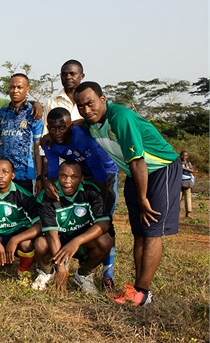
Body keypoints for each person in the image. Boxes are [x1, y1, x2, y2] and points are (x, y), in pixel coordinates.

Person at [75, 81, 181, 306]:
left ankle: (143, 294)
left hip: (158, 170)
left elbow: (138, 161)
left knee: (151, 230)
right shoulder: (91, 123)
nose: (86, 110)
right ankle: (136, 287)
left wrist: (143, 198)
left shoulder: (120, 118)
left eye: (90, 104)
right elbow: (76, 123)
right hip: (136, 176)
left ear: (103, 99)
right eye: (81, 106)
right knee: (139, 232)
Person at [42, 107, 119, 291]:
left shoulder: (82, 138)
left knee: (105, 225)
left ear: (70, 126)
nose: (57, 132)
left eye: (62, 128)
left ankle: (107, 276)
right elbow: (53, 172)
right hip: (77, 175)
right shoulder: (50, 143)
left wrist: (99, 204)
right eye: (52, 128)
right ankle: (57, 264)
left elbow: (99, 173)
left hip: (104, 174)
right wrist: (47, 183)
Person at [32, 160, 113, 296]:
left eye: (73, 177)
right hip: (58, 242)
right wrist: (60, 267)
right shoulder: (47, 195)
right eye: (63, 176)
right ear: (57, 176)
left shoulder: (91, 191)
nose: (67, 181)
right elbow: (52, 234)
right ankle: (47, 272)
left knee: (106, 241)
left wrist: (76, 241)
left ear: (81, 178)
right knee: (40, 243)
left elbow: (103, 224)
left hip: (81, 242)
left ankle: (83, 275)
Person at [0, 74, 44, 193]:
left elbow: (37, 147)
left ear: (27, 89)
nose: (15, 91)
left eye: (19, 87)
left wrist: (39, 176)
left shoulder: (34, 114)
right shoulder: (2, 112)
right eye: (12, 87)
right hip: (4, 175)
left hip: (26, 174)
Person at [179, 150, 194, 218]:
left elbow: (192, 170)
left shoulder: (188, 163)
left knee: (188, 198)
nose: (184, 157)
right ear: (180, 156)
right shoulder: (178, 163)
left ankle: (188, 213)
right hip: (179, 182)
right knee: (178, 198)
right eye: (183, 155)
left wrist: (184, 168)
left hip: (187, 182)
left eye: (185, 156)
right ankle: (176, 212)